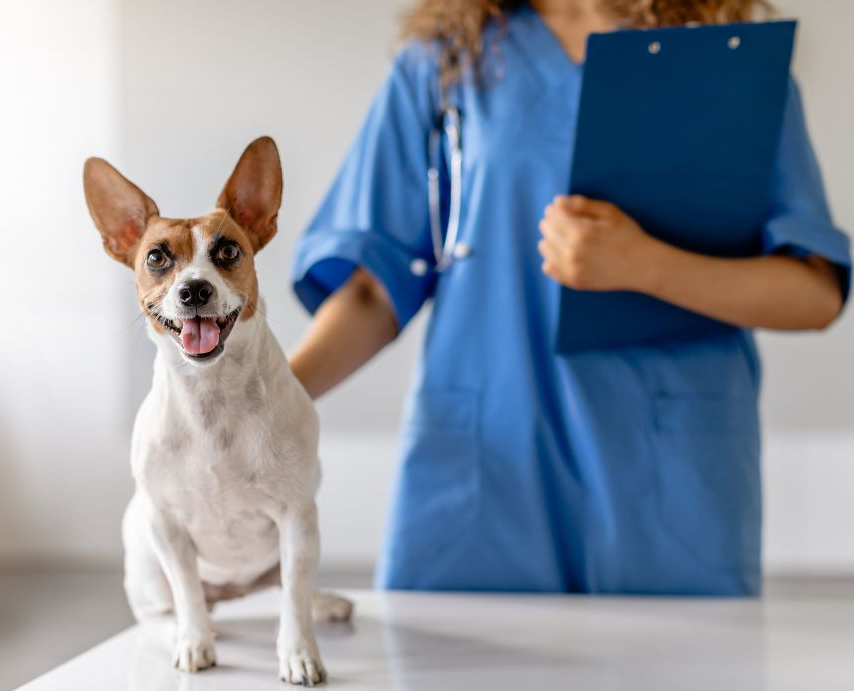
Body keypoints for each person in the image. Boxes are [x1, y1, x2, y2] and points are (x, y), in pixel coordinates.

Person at [287, 0, 850, 595]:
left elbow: (814, 291)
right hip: (485, 464)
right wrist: (243, 411)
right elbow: (375, 288)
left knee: (684, 680)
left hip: (669, 479)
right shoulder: (446, 61)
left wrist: (647, 265)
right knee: (450, 680)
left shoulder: (730, 59)